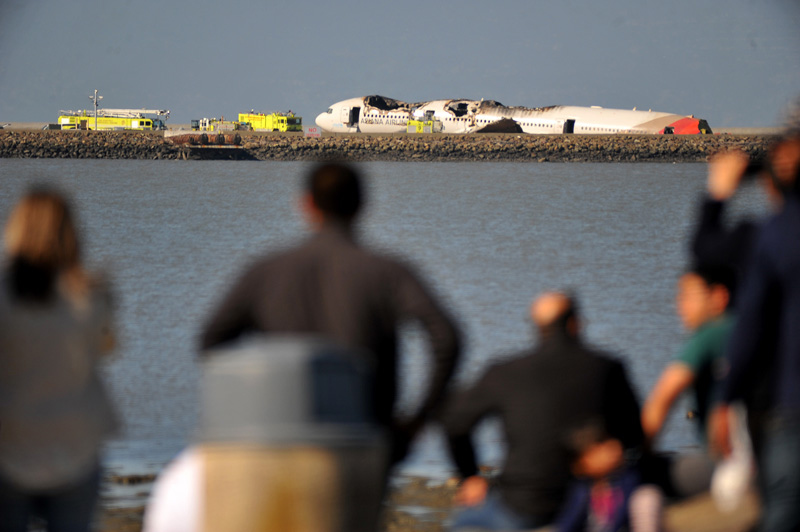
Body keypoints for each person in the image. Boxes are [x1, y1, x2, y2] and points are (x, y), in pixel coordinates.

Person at [201, 162, 461, 464]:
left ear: (306, 204)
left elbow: (211, 341)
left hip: (283, 436)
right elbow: (446, 338)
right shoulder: (389, 272)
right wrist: (417, 420)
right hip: (364, 434)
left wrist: (251, 414)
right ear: (363, 204)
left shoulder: (266, 271)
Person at [443, 292, 644, 530]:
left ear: (537, 328)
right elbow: (634, 437)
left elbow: (453, 422)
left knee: (462, 522)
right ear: (575, 324)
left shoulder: (504, 372)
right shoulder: (608, 368)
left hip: (522, 507)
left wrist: (470, 476)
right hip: (586, 501)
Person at [0, 187, 118, 532]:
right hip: (75, 445)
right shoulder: (92, 297)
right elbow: (108, 347)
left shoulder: (4, 297)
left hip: (10, 443)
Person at [710, 133, 800, 532]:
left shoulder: (773, 235)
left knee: (780, 510)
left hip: (789, 402)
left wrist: (717, 197)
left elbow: (749, 327)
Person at [640, 266, 735, 498]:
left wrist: (636, 458)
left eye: (689, 296)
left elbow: (663, 398)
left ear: (718, 297)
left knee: (642, 480)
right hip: (768, 452)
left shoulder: (712, 334)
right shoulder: (758, 324)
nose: (680, 306)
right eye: (679, 296)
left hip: (728, 465)